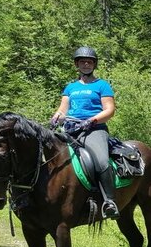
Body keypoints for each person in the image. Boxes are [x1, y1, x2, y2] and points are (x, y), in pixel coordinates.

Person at [50, 46, 120, 219]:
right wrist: (55, 118)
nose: (86, 64)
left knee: (101, 160)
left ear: (94, 64)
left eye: (89, 61)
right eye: (83, 61)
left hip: (94, 129)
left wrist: (91, 121)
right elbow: (62, 110)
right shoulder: (70, 87)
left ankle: (109, 202)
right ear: (77, 64)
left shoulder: (102, 85)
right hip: (70, 129)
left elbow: (109, 110)